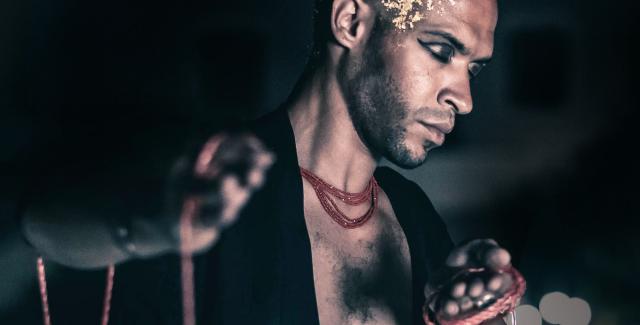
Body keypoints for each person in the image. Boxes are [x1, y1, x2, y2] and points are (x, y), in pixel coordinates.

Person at [20, 0, 518, 324]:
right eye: (441, 50)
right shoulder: (214, 177)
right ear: (352, 21)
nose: (466, 98)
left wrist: (478, 316)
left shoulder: (416, 217)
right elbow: (42, 228)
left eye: (473, 68)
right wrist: (154, 225)